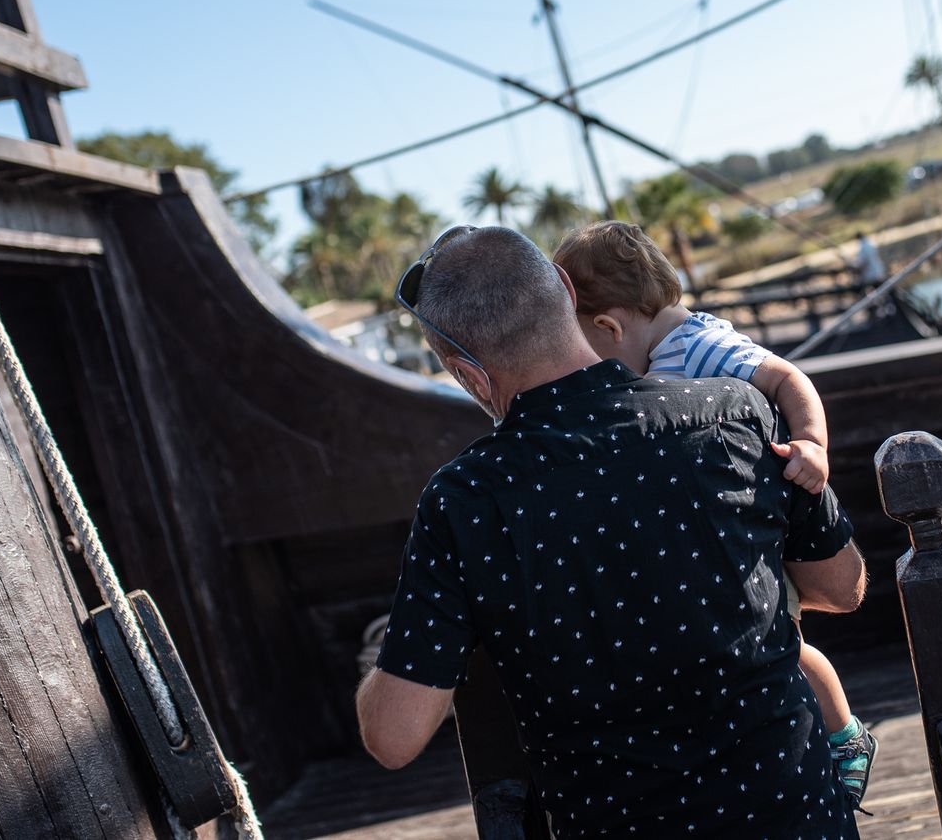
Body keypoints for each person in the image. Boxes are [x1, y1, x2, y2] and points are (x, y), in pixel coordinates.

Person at [357, 226, 867, 839]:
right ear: (566, 291)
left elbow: (393, 738)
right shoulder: (735, 410)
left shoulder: (464, 501)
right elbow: (842, 587)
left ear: (469, 374)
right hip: (798, 821)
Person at [553, 220, 879, 809]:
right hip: (718, 522)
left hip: (751, 515)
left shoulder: (698, 345)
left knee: (784, 644)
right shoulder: (658, 350)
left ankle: (845, 737)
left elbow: (786, 376)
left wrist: (812, 444)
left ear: (608, 326)